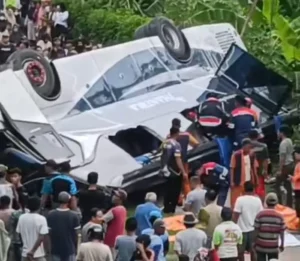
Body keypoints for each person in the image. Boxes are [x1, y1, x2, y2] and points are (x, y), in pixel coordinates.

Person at [168, 118, 199, 204]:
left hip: (173, 163)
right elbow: (196, 144)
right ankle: (189, 199)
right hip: (184, 160)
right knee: (185, 181)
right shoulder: (186, 135)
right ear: (180, 125)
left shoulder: (169, 136)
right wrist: (189, 152)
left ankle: (179, 200)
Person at [233, 181, 263, 261]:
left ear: (244, 189)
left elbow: (236, 215)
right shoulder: (258, 200)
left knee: (240, 252)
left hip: (241, 230)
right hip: (254, 230)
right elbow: (260, 215)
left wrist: (233, 227)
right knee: (253, 251)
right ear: (253, 189)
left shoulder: (240, 200)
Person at [47, 191, 81, 261]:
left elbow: (48, 234)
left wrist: (48, 249)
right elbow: (77, 235)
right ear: (69, 201)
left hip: (55, 249)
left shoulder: (51, 214)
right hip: (70, 249)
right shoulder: (74, 215)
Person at [161, 127, 187, 213]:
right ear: (177, 133)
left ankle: (166, 207)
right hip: (175, 171)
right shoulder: (176, 144)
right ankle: (172, 209)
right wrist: (183, 172)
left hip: (165, 169)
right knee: (175, 190)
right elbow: (178, 159)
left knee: (167, 189)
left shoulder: (165, 142)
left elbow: (161, 154)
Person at [253, 193, 285, 261]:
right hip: (273, 247)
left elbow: (256, 231)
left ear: (266, 202)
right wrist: (282, 244)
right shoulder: (280, 217)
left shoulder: (260, 215)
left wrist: (253, 243)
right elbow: (282, 233)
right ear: (276, 203)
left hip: (261, 246)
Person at [16, 196, 49, 261]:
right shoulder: (42, 219)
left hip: (25, 253)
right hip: (38, 254)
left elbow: (19, 234)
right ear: (39, 206)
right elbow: (41, 237)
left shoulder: (21, 217)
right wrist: (32, 251)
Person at [230, 138, 258, 207]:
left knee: (249, 200)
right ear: (244, 146)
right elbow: (232, 168)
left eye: (250, 147)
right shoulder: (236, 155)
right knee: (235, 200)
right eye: (248, 147)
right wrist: (232, 181)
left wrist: (255, 180)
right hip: (238, 182)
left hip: (249, 182)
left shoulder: (252, 155)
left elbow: (254, 167)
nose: (249, 149)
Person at [102, 189, 127, 256]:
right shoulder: (123, 209)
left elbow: (101, 220)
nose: (113, 197)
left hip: (111, 240)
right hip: (119, 239)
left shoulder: (114, 210)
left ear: (120, 199)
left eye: (116, 196)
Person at [249, 129, 269, 200]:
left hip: (248, 172)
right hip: (259, 171)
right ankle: (261, 204)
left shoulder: (246, 146)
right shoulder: (263, 146)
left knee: (249, 189)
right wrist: (266, 171)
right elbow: (265, 160)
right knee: (260, 189)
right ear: (257, 136)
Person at [276, 125, 294, 207]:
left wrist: (280, 169)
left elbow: (282, 157)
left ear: (282, 133)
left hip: (285, 165)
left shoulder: (283, 143)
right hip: (291, 164)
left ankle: (279, 203)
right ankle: (289, 204)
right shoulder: (289, 140)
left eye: (279, 132)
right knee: (288, 185)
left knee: (278, 184)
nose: (278, 133)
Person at [8, 193, 29, 261]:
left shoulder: (15, 213)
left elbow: (11, 227)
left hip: (17, 239)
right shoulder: (30, 212)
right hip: (28, 239)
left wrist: (10, 237)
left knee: (17, 257)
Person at [292, 146, 300, 229]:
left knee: (298, 206)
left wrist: (293, 178)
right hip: (297, 187)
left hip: (299, 188)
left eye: (296, 154)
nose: (295, 156)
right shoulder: (297, 164)